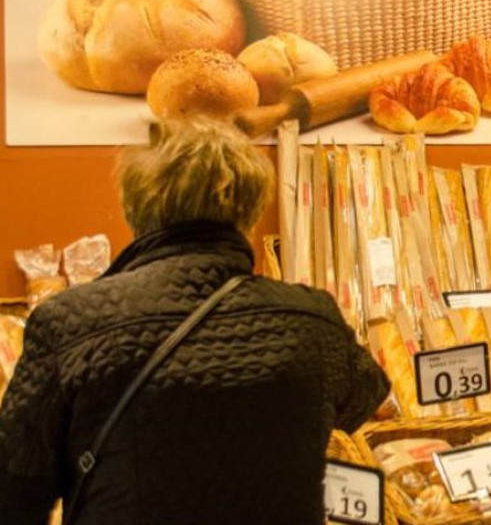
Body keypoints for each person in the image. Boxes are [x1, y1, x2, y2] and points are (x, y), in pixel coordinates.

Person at [0, 118, 389, 524]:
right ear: (252, 210)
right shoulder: (313, 320)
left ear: (135, 208)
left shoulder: (69, 323)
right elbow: (365, 399)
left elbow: (14, 492)